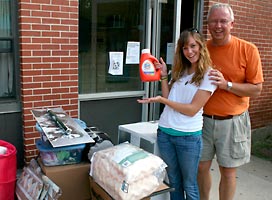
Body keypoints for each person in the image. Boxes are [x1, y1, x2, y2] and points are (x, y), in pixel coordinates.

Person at [138, 28, 217, 200]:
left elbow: (192, 109)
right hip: (165, 134)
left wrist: (162, 101)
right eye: (185, 48)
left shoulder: (209, 76)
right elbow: (168, 98)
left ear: (201, 46)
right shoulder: (181, 72)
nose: (189, 51)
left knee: (189, 184)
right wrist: (164, 76)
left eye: (193, 46)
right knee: (173, 181)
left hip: (188, 138)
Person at [197, 3, 264, 200]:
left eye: (223, 21)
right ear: (207, 24)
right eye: (214, 21)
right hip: (203, 121)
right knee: (201, 167)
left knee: (228, 172)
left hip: (232, 122)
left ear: (232, 24)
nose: (218, 26)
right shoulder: (202, 50)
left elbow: (257, 89)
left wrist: (227, 85)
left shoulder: (248, 50)